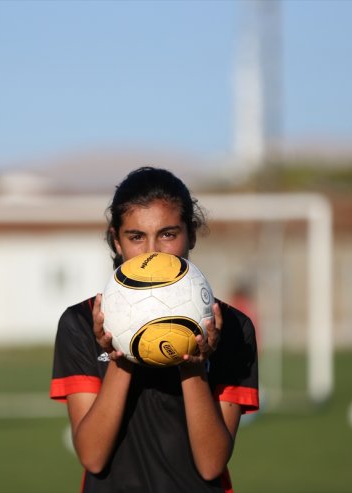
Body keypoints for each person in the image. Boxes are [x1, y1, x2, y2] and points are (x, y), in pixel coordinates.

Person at [50, 167, 259, 492]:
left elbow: (211, 464)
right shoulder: (80, 322)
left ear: (190, 234)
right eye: (136, 237)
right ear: (115, 240)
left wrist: (193, 368)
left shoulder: (230, 326)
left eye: (167, 234)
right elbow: (92, 457)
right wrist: (119, 356)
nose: (151, 252)